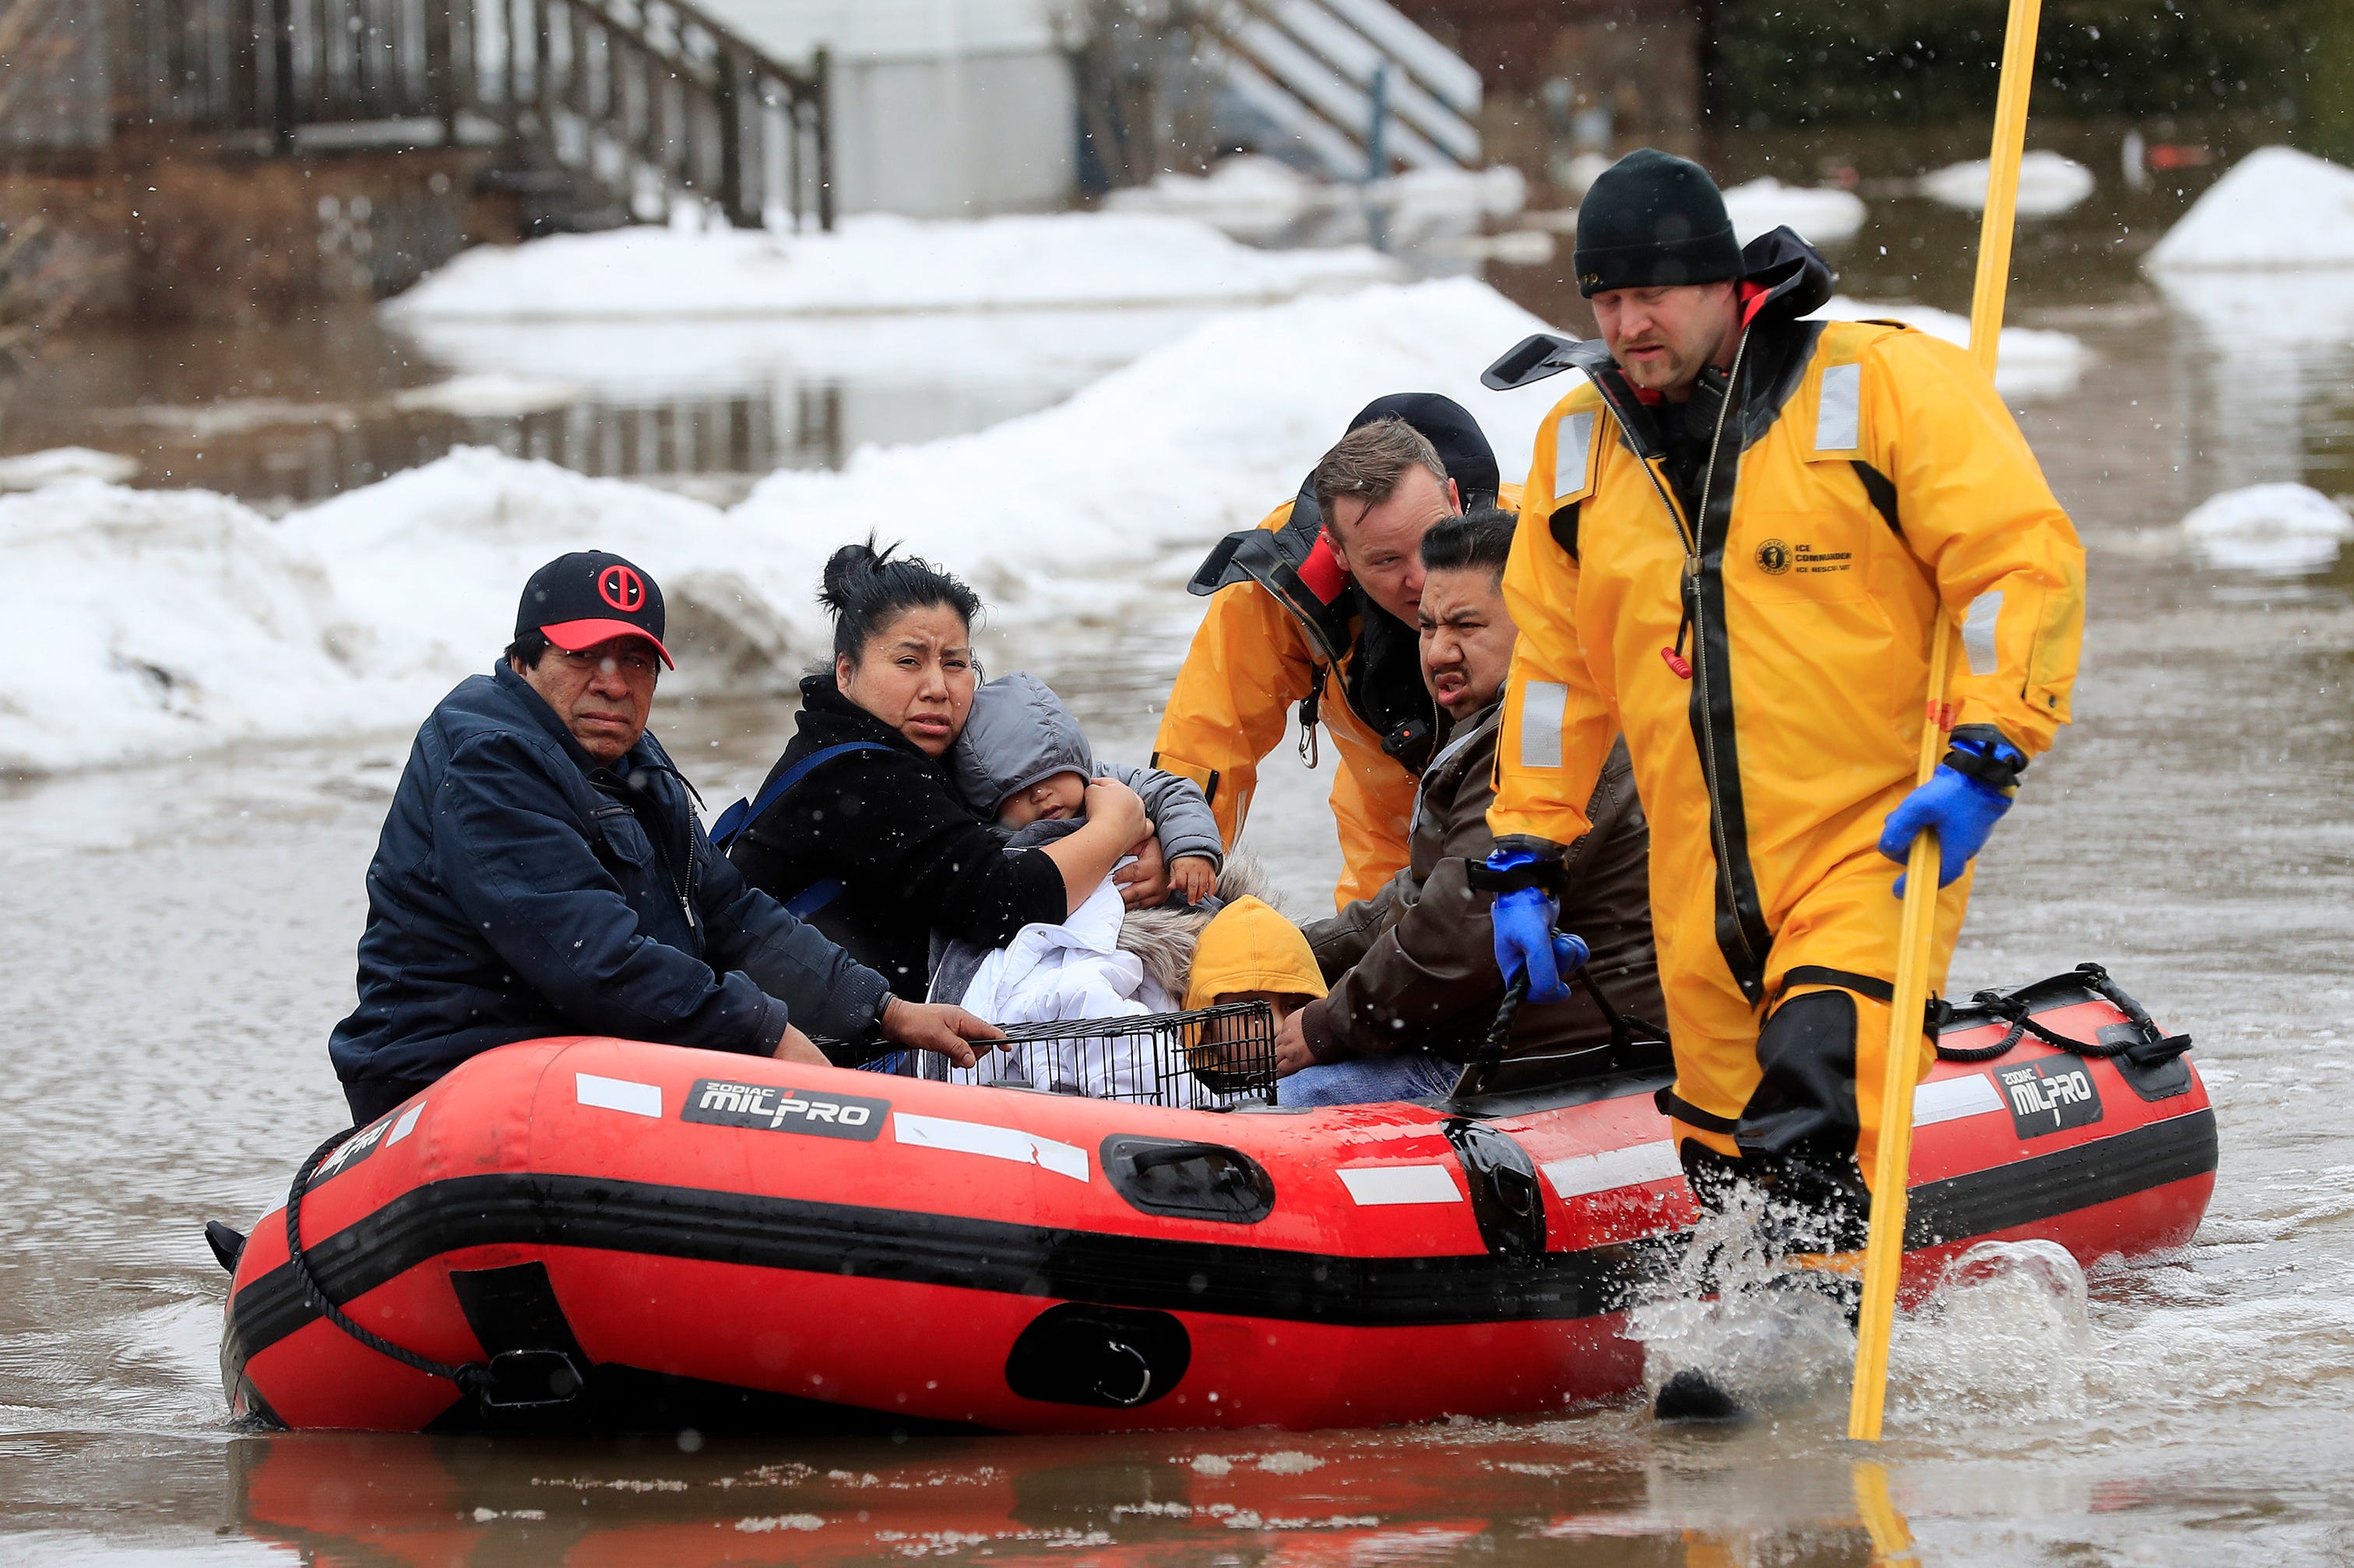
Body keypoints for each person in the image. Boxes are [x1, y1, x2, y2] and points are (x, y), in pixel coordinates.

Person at [1480, 149, 2085, 1266]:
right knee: (1727, 1172)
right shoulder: (1576, 450)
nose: (1626, 323)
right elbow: (1555, 683)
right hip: (1697, 891)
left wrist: (1990, 752)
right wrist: (1523, 853)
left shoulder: (1879, 386)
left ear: (1723, 283)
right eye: (1604, 299)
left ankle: (1819, 1377)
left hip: (1873, 844)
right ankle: (1796, 1385)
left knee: (1812, 1107)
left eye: (1649, 293)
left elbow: (2018, 567)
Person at [327, 550, 1001, 1125]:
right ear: (524, 662)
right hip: (455, 1078)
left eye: (636, 660)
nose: (613, 683)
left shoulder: (629, 762)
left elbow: (730, 914)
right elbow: (593, 958)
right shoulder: (489, 761)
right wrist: (763, 1035)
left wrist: (885, 1011)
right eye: (584, 655)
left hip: (576, 1064)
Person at [1276, 509, 1664, 1109]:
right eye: (1427, 627)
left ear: (1539, 627)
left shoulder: (1543, 735)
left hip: (1564, 1061)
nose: (1436, 652)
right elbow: (1419, 895)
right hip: (1509, 1044)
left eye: (1465, 625)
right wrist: (1288, 956)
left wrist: (1323, 1028)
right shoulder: (1494, 725)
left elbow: (1459, 932)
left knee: (1277, 1102)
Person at [726, 542, 1165, 1002]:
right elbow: (1001, 902)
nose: (937, 688)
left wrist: (1137, 855)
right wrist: (1115, 829)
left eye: (954, 664)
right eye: (908, 661)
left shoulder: (888, 748)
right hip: (805, 1052)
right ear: (846, 672)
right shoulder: (863, 771)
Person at [1154, 395, 1515, 910]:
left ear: (1455, 502)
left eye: (1432, 540)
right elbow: (1205, 742)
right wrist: (1176, 876)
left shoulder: (1542, 546)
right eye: (1385, 559)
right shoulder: (1280, 583)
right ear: (1337, 550)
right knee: (1380, 963)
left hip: (1532, 797)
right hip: (1388, 823)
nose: (1420, 577)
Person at [950, 671, 1223, 907]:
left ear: (1073, 758)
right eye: (1018, 790)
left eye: (1050, 775)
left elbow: (1173, 792)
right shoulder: (988, 847)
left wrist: (1190, 850)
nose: (1040, 794)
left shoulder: (1109, 785)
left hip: (1161, 914)